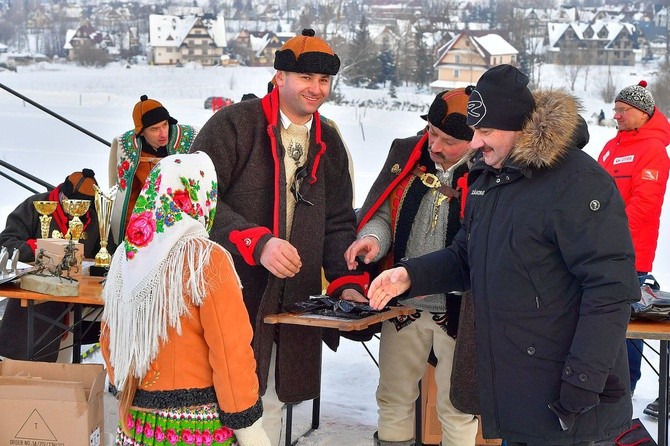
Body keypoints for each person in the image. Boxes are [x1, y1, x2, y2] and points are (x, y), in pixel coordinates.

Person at [366, 64, 640, 445]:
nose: (475, 143)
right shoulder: (488, 177)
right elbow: (467, 256)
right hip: (515, 384)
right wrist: (410, 275)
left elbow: (610, 290)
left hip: (569, 395)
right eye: (475, 132)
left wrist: (581, 384)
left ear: (520, 128)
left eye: (485, 131)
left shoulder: (578, 181)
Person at [190, 28, 368, 445]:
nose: (315, 89)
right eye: (305, 78)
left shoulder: (331, 142)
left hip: (294, 300)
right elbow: (194, 202)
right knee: (213, 399)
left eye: (323, 81)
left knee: (268, 401)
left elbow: (339, 222)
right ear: (279, 78)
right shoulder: (231, 126)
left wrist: (345, 285)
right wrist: (256, 241)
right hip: (228, 288)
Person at [100, 151, 271, 445]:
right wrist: (246, 422)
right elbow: (231, 350)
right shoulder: (205, 260)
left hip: (137, 423)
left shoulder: (125, 258)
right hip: (196, 425)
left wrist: (128, 390)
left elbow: (110, 339)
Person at [343, 88, 478, 446]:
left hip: (461, 310)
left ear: (473, 140)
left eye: (448, 141)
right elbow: (382, 215)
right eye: (432, 133)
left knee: (457, 407)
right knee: (393, 397)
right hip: (403, 306)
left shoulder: (488, 176)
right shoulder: (407, 158)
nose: (434, 145)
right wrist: (373, 239)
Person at [598, 80, 670, 416]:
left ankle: (624, 393)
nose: (616, 116)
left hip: (630, 253)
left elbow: (646, 203)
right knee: (602, 322)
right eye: (615, 110)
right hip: (598, 250)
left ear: (642, 113)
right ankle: (605, 389)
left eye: (623, 110)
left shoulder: (653, 148)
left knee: (627, 324)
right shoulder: (612, 145)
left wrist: (610, 235)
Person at [0, 168, 103, 362]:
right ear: (62, 195)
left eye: (83, 207)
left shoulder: (95, 216)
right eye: (72, 204)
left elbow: (100, 254)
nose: (77, 211)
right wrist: (40, 250)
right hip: (35, 294)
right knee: (24, 362)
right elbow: (5, 242)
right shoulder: (35, 205)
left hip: (76, 296)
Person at [108, 95, 198, 245]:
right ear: (141, 132)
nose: (163, 133)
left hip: (184, 224)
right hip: (146, 225)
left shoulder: (191, 140)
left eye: (165, 125)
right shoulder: (129, 150)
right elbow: (128, 200)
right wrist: (127, 238)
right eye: (154, 129)